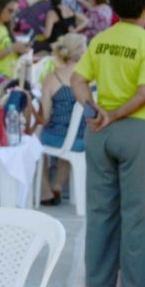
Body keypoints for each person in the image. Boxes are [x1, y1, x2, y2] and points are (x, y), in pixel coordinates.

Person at [71, 0, 145, 287]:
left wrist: (95, 111)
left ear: (114, 6)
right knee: (139, 213)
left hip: (99, 134)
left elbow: (77, 80)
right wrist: (115, 115)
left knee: (101, 209)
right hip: (138, 132)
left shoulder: (101, 40)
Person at [38, 33, 87, 205]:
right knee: (70, 136)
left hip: (57, 137)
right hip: (85, 137)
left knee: (34, 139)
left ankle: (44, 190)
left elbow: (44, 118)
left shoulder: (53, 78)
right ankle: (57, 185)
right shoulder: (90, 77)